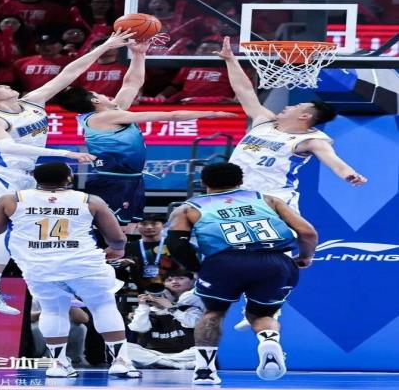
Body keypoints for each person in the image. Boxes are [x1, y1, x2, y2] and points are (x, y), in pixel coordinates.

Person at [0, 29, 134, 314]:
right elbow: (7, 146)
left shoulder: (32, 102)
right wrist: (66, 153)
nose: (4, 84)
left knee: (9, 235)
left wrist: (106, 46)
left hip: (20, 178)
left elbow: (69, 72)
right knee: (8, 233)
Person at [0, 161, 142, 379]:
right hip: (83, 264)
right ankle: (121, 361)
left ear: (35, 178)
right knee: (103, 306)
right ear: (69, 178)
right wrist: (117, 249)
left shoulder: (11, 199)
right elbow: (116, 237)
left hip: (39, 267)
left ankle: (58, 364)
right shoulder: (90, 200)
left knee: (52, 311)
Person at [165, 163, 318, 384]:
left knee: (213, 313)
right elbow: (307, 232)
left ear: (203, 182)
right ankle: (269, 341)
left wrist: (197, 268)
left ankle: (205, 371)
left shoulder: (188, 208)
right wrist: (305, 256)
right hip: (275, 261)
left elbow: (177, 245)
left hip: (224, 262)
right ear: (241, 181)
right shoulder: (267, 199)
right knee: (262, 314)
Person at [60, 52, 237, 233]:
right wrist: (211, 113)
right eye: (99, 93)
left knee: (129, 229)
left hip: (132, 179)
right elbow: (173, 115)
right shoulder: (105, 117)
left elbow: (132, 83)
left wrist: (139, 53)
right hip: (113, 181)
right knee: (111, 232)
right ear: (96, 101)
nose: (105, 94)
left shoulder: (112, 112)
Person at [216, 36, 367, 213]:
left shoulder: (311, 141)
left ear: (304, 116)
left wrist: (350, 175)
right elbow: (244, 90)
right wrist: (230, 59)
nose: (288, 107)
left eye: (295, 106)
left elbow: (335, 162)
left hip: (273, 200)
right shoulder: (263, 120)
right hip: (235, 196)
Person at [127, 270, 204, 369]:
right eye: (154, 296)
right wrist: (142, 306)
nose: (157, 298)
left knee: (201, 350)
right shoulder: (145, 312)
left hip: (183, 353)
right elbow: (139, 329)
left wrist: (171, 308)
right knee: (125, 347)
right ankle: (173, 364)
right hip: (154, 352)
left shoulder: (187, 309)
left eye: (162, 295)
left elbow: (193, 323)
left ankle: (158, 362)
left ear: (173, 297)